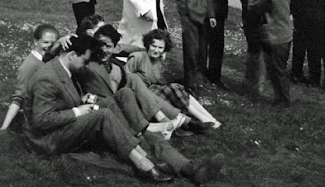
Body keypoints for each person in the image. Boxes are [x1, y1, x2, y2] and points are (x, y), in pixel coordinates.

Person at [82, 25, 225, 184]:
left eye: (108, 46)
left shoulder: (115, 66)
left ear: (115, 47)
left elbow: (125, 60)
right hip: (103, 119)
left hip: (125, 116)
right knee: (143, 139)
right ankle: (155, 156)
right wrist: (62, 42)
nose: (103, 50)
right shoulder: (85, 64)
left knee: (153, 138)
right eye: (100, 45)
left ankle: (190, 170)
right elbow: (63, 61)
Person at [23, 34, 174, 183]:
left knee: (108, 103)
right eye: (85, 60)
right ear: (72, 55)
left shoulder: (65, 68)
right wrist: (77, 111)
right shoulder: (47, 78)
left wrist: (81, 100)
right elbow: (41, 120)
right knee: (103, 115)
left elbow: (62, 98)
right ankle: (143, 164)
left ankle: (143, 154)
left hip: (61, 124)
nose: (86, 65)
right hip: (47, 138)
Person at [126, 29, 222, 128]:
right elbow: (125, 79)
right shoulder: (137, 57)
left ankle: (210, 118)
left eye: (160, 48)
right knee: (172, 89)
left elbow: (158, 81)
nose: (156, 50)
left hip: (152, 91)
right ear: (147, 45)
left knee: (179, 88)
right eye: (153, 46)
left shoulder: (159, 61)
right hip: (140, 95)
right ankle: (202, 118)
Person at [0, 24, 59, 135]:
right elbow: (19, 97)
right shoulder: (30, 66)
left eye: (53, 43)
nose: (49, 46)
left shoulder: (50, 60)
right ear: (35, 42)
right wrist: (4, 127)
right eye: (45, 42)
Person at [247, 0, 293, 107]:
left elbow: (253, 8)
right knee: (282, 69)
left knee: (276, 71)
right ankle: (282, 99)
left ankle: (282, 101)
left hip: (272, 35)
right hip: (286, 31)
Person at [229, 0, 267, 99]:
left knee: (254, 49)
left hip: (251, 13)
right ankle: (256, 86)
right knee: (258, 50)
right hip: (254, 13)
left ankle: (250, 83)